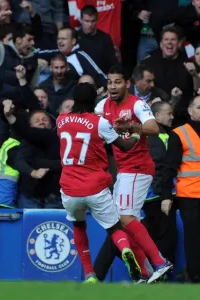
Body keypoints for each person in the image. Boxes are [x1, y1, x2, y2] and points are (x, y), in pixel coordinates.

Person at [57, 82, 143, 283]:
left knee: (78, 226)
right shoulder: (99, 123)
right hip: (95, 187)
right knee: (114, 228)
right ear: (93, 100)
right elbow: (124, 146)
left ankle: (89, 274)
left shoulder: (61, 121)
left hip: (70, 189)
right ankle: (126, 250)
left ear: (74, 100)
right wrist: (136, 133)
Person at [95, 64, 173, 283]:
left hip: (138, 167)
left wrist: (131, 126)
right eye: (109, 82)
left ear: (127, 84)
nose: (112, 86)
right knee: (123, 224)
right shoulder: (103, 106)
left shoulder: (137, 104)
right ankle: (149, 272)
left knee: (125, 218)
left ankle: (159, 262)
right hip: (123, 171)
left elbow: (154, 128)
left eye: (117, 81)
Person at [161, 95, 200, 282]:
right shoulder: (180, 133)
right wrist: (166, 195)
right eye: (199, 107)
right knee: (193, 238)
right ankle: (194, 276)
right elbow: (169, 168)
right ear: (190, 111)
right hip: (190, 196)